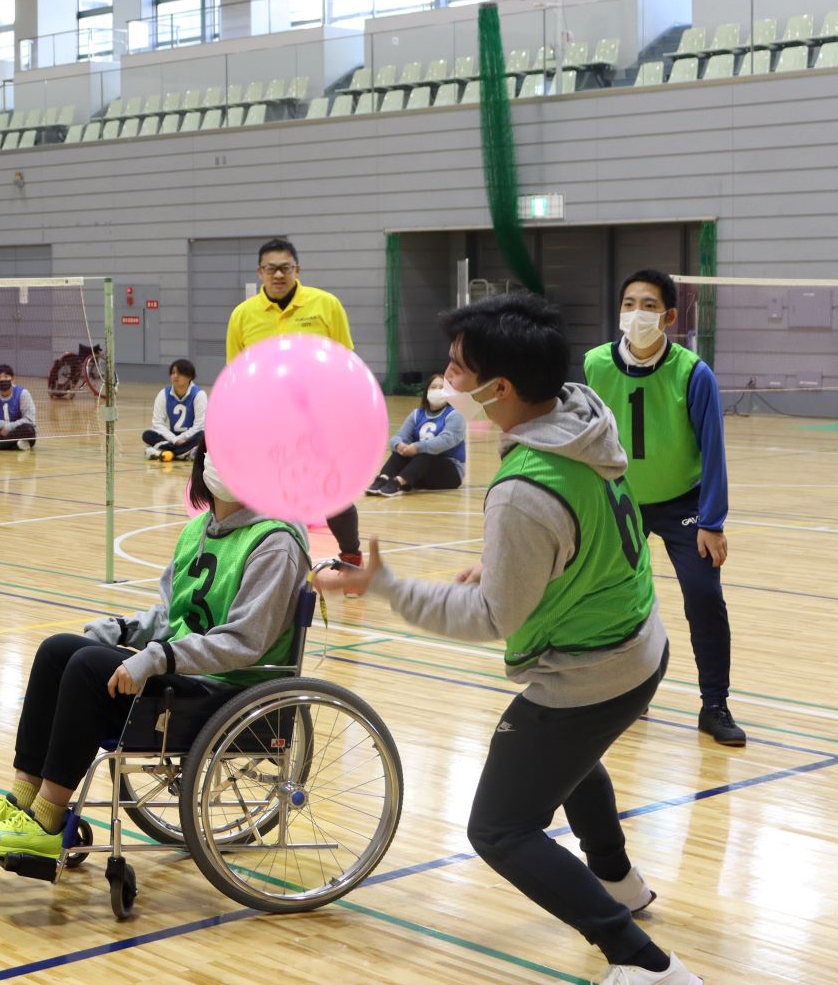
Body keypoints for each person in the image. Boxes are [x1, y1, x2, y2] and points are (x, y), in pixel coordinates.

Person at [316, 294, 702, 985]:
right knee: (571, 759)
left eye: (459, 368)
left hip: (596, 668)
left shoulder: (524, 489)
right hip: (639, 641)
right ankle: (616, 878)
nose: (446, 378)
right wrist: (514, 568)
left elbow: (489, 617)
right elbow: (576, 536)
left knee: (499, 828)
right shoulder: (583, 415)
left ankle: (646, 965)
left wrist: (386, 585)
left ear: (502, 388)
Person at [0, 430, 308, 860]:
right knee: (58, 650)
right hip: (183, 676)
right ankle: (22, 800)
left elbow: (245, 642)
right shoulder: (198, 530)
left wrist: (154, 658)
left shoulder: (276, 541)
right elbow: (174, 615)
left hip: (228, 692)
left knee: (87, 668)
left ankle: (47, 819)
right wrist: (120, 629)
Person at [583, 270, 742, 747]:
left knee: (704, 597)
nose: (637, 313)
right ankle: (629, 692)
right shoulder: (594, 364)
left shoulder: (693, 372)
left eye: (649, 305)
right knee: (612, 599)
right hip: (618, 498)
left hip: (683, 506)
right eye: (629, 303)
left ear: (669, 317)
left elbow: (713, 450)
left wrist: (712, 522)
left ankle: (714, 704)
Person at [225, 237, 362, 565]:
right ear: (260, 272)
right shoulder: (243, 316)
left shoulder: (326, 305)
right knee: (267, 497)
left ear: (297, 269)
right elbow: (237, 376)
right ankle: (269, 563)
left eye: (285, 268)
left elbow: (346, 362)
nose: (278, 275)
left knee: (333, 491)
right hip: (268, 425)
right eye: (271, 268)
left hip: (320, 420)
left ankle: (351, 558)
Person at [367, 374, 467, 496]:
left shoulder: (454, 415)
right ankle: (383, 478)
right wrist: (399, 445)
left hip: (450, 472)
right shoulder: (417, 414)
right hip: (420, 470)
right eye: (433, 387)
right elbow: (398, 436)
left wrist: (417, 447)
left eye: (441, 388)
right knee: (400, 453)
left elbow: (446, 440)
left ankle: (399, 482)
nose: (437, 391)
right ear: (426, 392)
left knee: (425, 454)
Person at [140, 358, 205, 459]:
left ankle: (165, 452)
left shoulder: (199, 395)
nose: (175, 376)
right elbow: (157, 423)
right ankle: (184, 453)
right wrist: (175, 440)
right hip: (172, 436)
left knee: (203, 435)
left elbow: (199, 426)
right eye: (173, 373)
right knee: (147, 435)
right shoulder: (163, 394)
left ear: (189, 376)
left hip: (191, 437)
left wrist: (181, 438)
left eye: (180, 373)